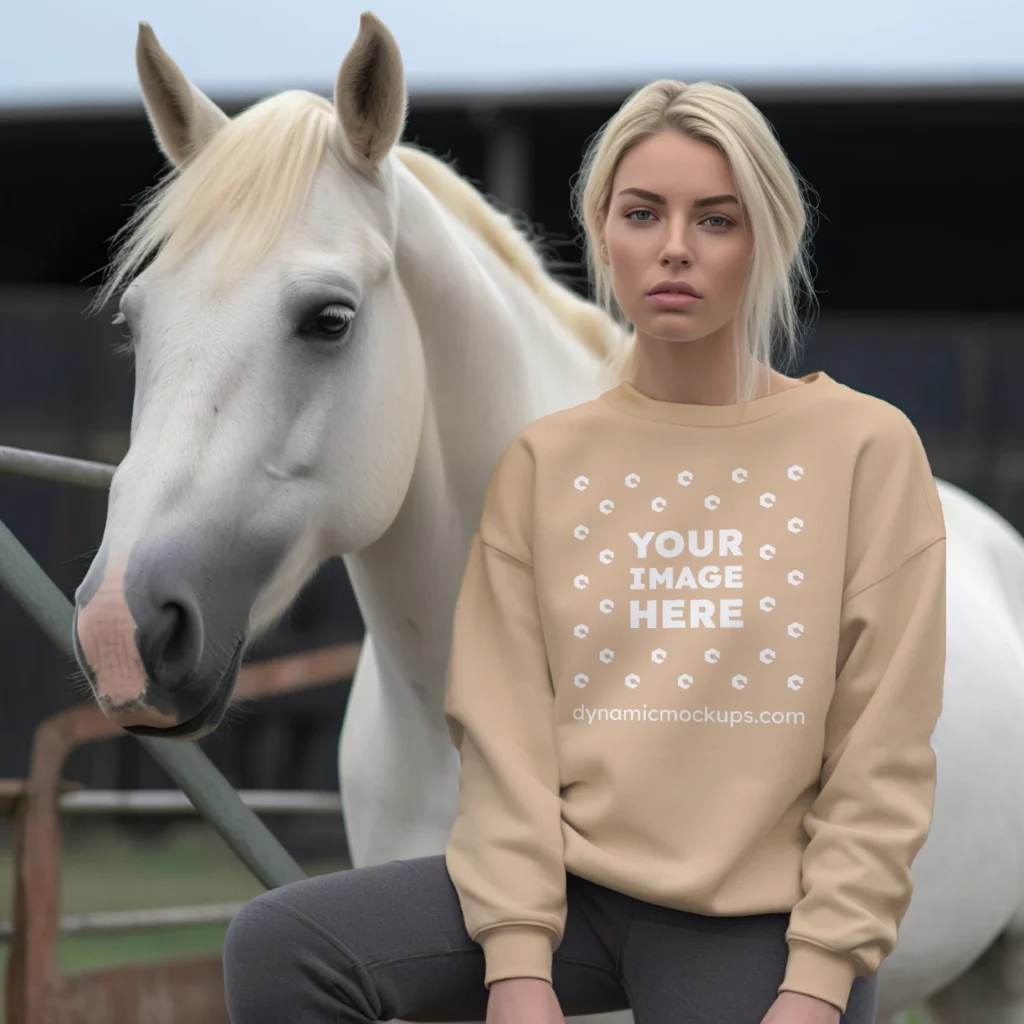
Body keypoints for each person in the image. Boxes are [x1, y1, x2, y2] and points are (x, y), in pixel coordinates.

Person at [222, 78, 945, 1024]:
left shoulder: (865, 448)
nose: (675, 247)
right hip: (576, 899)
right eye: (643, 213)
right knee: (280, 948)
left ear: (766, 236)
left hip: (756, 923)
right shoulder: (546, 461)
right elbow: (507, 740)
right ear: (603, 228)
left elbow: (881, 757)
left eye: (715, 219)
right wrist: (519, 971)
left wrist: (816, 985)